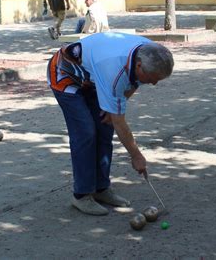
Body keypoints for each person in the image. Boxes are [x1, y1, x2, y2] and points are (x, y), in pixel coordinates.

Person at [47, 32, 174, 215]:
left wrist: (114, 104)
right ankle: (81, 195)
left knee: (105, 128)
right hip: (65, 76)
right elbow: (119, 121)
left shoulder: (149, 51)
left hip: (94, 78)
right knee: (86, 132)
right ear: (139, 66)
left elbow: (133, 82)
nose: (154, 83)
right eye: (153, 78)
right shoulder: (114, 68)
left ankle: (101, 189)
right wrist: (136, 156)